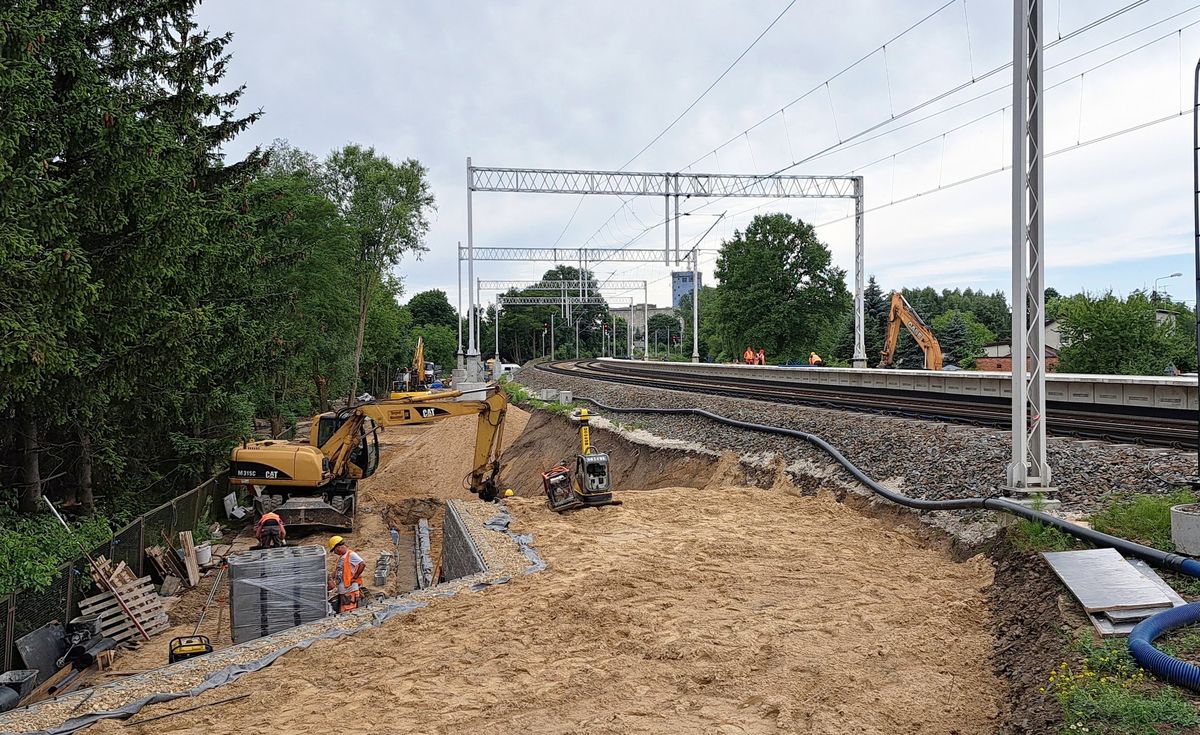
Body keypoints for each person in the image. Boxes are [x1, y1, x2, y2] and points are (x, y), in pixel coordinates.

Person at [327, 536, 366, 613]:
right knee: (344, 611)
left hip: (350, 590)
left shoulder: (351, 555)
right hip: (344, 591)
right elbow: (338, 570)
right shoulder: (342, 557)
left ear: (338, 547)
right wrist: (329, 577)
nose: (335, 553)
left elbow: (362, 564)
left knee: (350, 611)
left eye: (334, 551)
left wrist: (355, 577)